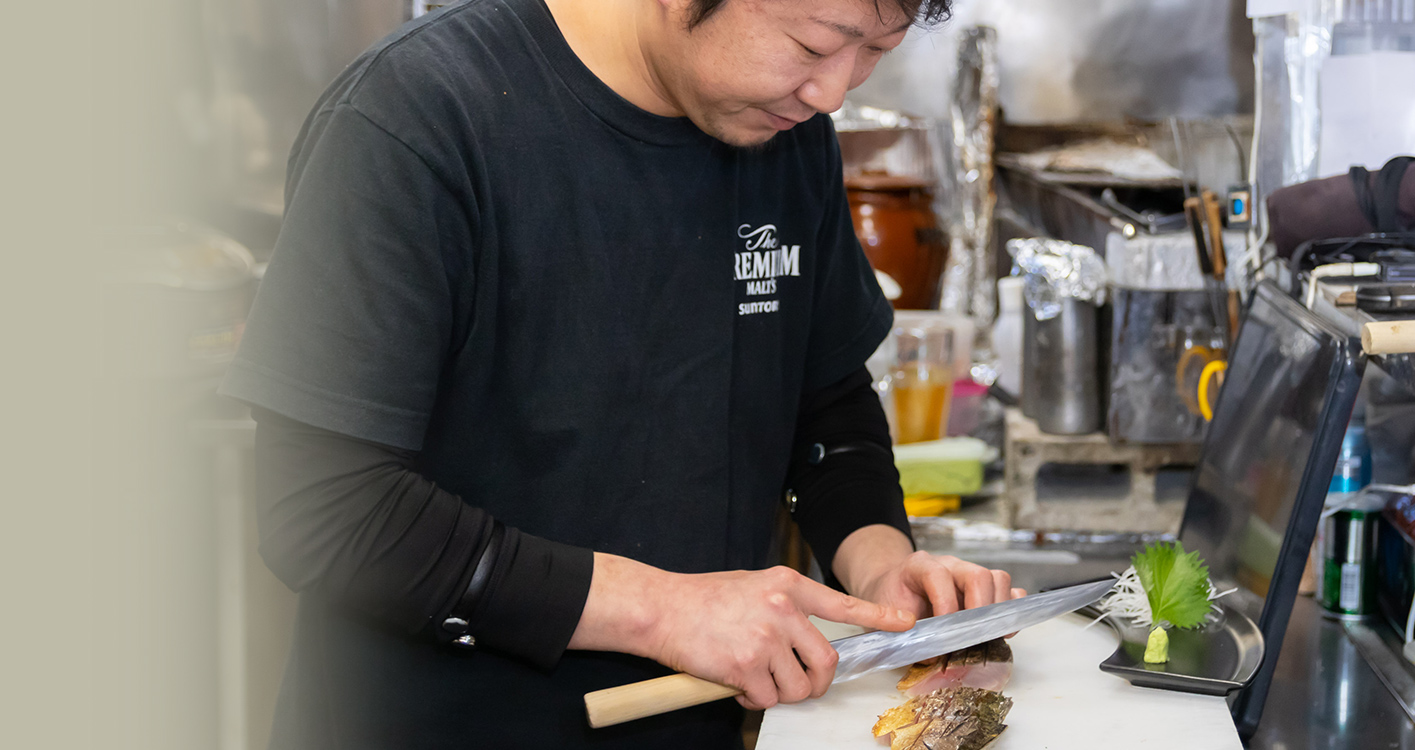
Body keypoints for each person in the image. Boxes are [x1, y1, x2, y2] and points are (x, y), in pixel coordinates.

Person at [221, 0, 1016, 747]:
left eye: (874, 51)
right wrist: (664, 611)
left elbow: (826, 402)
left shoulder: (782, 128)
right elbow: (322, 509)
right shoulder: (417, 118)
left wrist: (879, 569)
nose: (831, 91)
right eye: (813, 44)